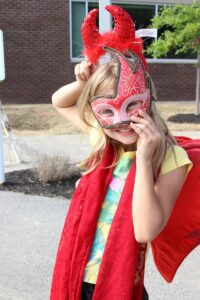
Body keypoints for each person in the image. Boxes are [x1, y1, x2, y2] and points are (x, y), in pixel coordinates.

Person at [50, 5, 200, 300]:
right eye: (107, 110)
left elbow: (145, 231)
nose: (121, 120)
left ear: (149, 99)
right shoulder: (105, 140)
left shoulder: (171, 159)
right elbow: (59, 101)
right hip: (75, 275)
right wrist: (83, 83)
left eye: (132, 105)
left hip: (119, 284)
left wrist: (144, 159)